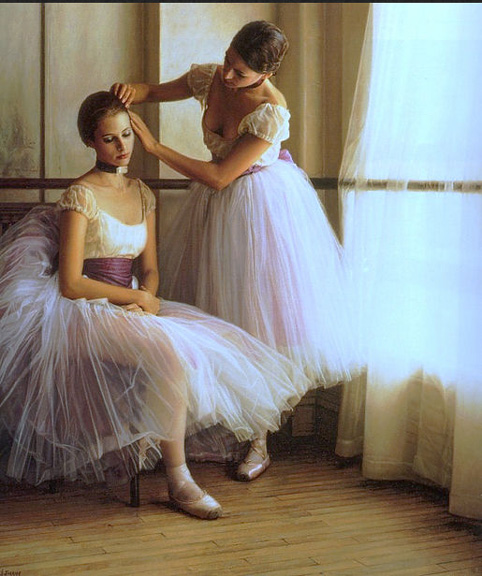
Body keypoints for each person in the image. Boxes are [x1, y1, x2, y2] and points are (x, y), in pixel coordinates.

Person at [0, 91, 312, 520]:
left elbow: (149, 269)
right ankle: (179, 481)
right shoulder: (80, 195)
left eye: (127, 135)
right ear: (90, 141)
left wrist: (146, 299)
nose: (122, 146)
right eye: (109, 139)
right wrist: (136, 298)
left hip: (133, 304)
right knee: (167, 356)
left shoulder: (143, 193)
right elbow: (71, 283)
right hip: (84, 310)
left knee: (215, 344)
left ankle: (173, 453)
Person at [111, 20, 360, 482]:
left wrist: (153, 147)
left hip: (259, 211)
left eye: (240, 72)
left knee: (256, 324)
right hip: (216, 210)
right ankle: (216, 425)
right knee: (215, 317)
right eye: (228, 60)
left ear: (266, 74)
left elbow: (220, 175)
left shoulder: (271, 111)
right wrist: (129, 92)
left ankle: (260, 440)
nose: (227, 76)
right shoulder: (211, 77)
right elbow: (153, 91)